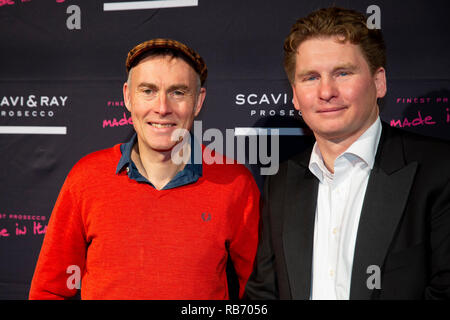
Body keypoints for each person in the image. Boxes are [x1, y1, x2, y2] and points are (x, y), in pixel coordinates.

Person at [29, 38, 260, 299]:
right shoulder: (86, 178)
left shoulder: (234, 182)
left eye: (178, 92)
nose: (162, 108)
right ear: (128, 96)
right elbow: (49, 290)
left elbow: (259, 293)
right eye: (148, 91)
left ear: (198, 101)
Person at [245, 7, 450, 299]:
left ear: (379, 82)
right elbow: (264, 294)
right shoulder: (281, 181)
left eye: (342, 73)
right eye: (310, 77)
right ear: (294, 95)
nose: (326, 91)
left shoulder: (438, 170)